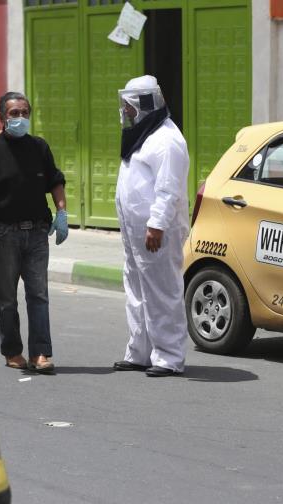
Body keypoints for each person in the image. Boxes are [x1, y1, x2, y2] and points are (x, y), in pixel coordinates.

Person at [0, 91, 68, 374]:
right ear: (2, 117)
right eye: (14, 113)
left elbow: (55, 181)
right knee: (7, 297)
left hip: (37, 233)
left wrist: (61, 213)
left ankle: (40, 354)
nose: (20, 118)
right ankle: (12, 351)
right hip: (4, 234)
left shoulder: (39, 147)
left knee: (39, 294)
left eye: (24, 113)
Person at [112, 75, 190, 377]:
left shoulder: (167, 140)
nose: (125, 110)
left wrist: (156, 224)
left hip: (157, 232)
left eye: (129, 105)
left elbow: (168, 189)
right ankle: (139, 352)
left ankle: (169, 357)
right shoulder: (143, 135)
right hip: (135, 232)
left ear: (144, 103)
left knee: (162, 291)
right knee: (136, 288)